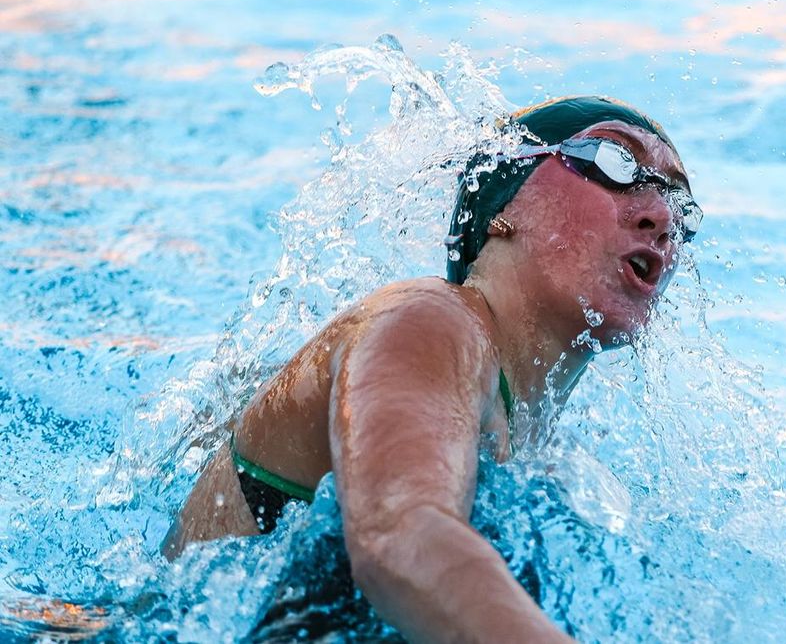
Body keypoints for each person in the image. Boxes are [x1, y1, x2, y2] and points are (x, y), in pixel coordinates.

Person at [162, 96, 701, 642]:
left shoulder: (550, 458)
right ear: (501, 210)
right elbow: (399, 536)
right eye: (614, 164)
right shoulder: (430, 318)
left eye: (678, 201)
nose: (660, 216)